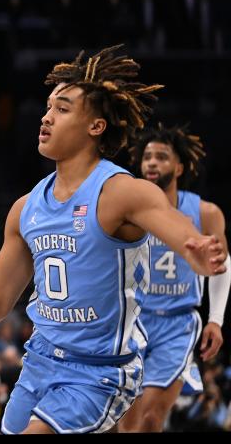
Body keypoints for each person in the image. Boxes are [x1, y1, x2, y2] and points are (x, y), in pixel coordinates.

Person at [0, 45, 227, 434]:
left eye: (62, 108)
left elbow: (179, 230)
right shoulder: (25, 209)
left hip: (99, 372)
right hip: (39, 363)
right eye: (47, 107)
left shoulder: (121, 192)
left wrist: (196, 250)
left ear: (95, 126)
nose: (46, 116)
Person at [118, 124, 229, 432]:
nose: (152, 163)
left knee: (151, 418)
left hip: (177, 324)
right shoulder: (127, 210)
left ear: (179, 167)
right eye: (147, 157)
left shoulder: (205, 212)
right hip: (133, 321)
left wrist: (216, 319)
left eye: (162, 157)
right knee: (125, 425)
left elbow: (223, 264)